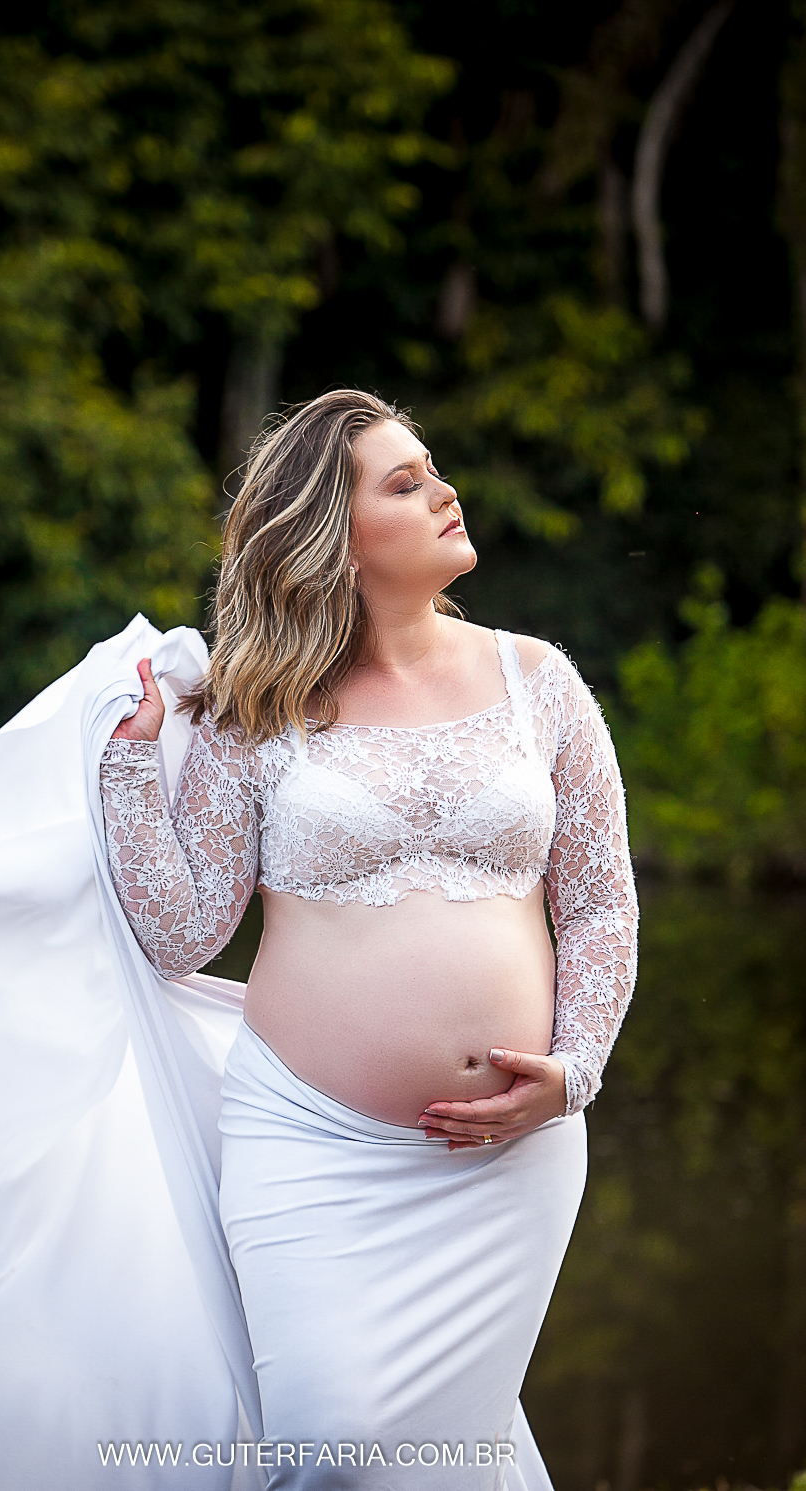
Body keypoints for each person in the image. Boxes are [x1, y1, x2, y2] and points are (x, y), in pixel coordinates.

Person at [99, 388, 639, 1488]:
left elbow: (600, 904)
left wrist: (574, 1069)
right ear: (331, 539)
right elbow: (180, 931)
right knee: (329, 1455)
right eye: (405, 481)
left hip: (509, 1163)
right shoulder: (257, 705)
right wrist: (128, 763)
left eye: (432, 467)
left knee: (450, 1454)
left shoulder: (540, 685)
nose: (445, 490)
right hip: (311, 1149)